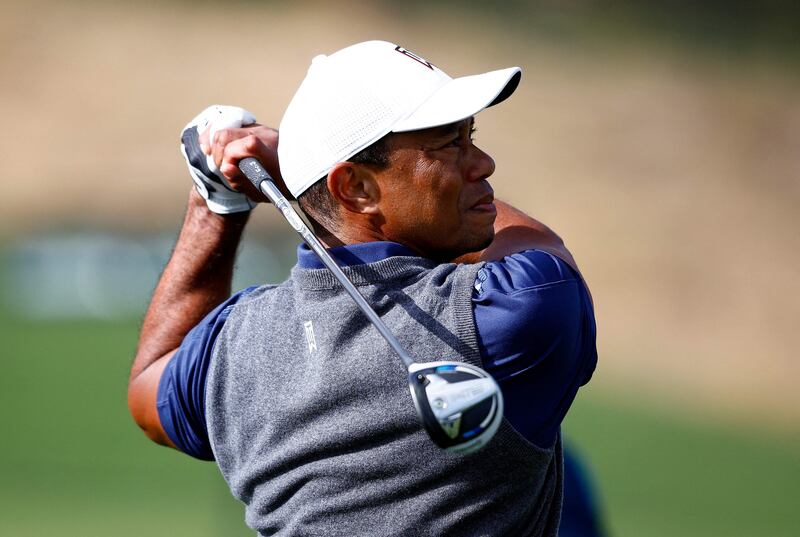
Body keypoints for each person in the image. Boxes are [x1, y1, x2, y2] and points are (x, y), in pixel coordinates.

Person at [128, 40, 597, 536]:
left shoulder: (236, 344)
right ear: (355, 188)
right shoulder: (507, 316)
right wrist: (297, 176)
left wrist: (215, 204)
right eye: (448, 145)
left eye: (471, 135)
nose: (483, 164)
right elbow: (540, 250)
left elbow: (148, 388)